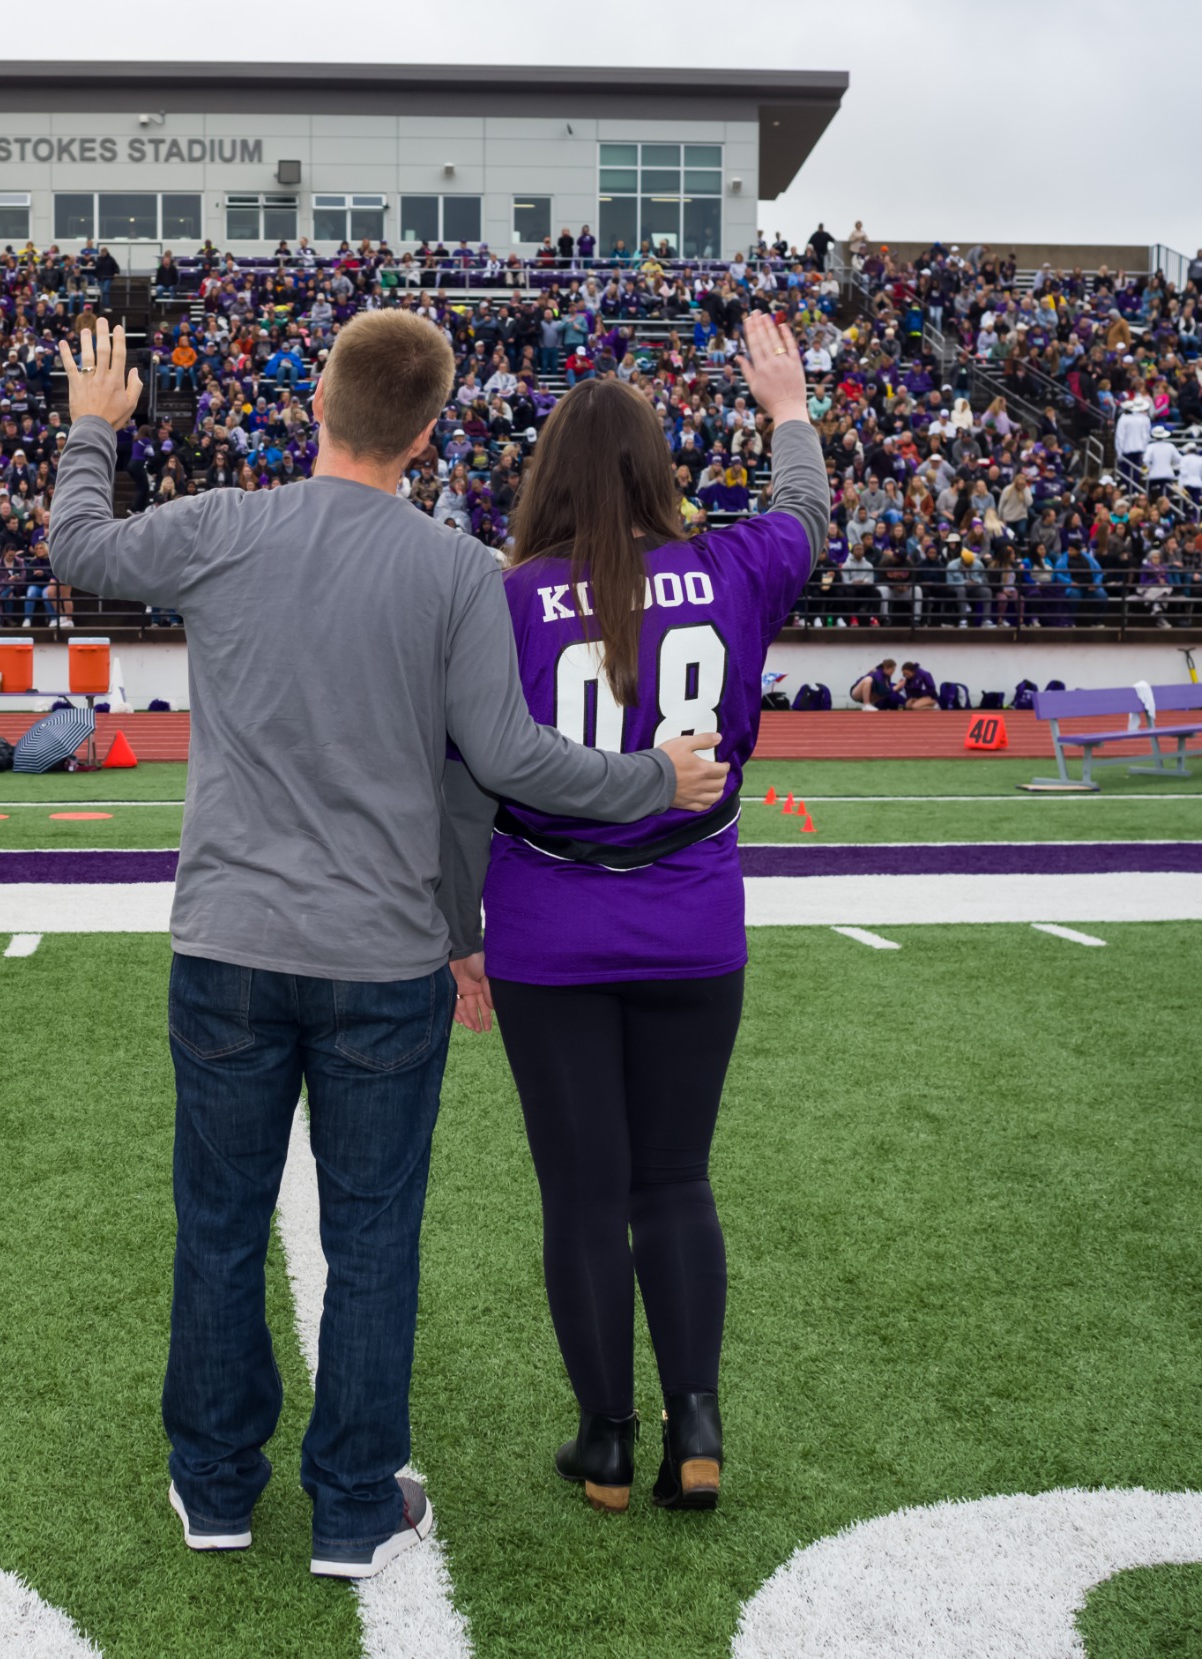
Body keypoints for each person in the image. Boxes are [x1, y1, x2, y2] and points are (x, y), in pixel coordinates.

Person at [50, 312, 725, 1581]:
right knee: (370, 1236)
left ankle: (214, 1486)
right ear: (425, 435)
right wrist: (652, 777)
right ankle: (355, 1506)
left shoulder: (223, 525)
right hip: (381, 957)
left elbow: (78, 540)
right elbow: (510, 764)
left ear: (317, 401)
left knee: (217, 1221)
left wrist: (98, 423)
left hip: (231, 943)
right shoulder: (458, 570)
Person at [444, 314, 823, 1514]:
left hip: (551, 918)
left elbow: (464, 781)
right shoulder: (727, 566)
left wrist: (459, 932)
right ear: (659, 470)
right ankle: (695, 1425)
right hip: (693, 916)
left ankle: (606, 1437)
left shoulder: (502, 600)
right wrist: (787, 412)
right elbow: (806, 518)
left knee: (582, 1197)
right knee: (675, 1182)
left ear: (543, 473)